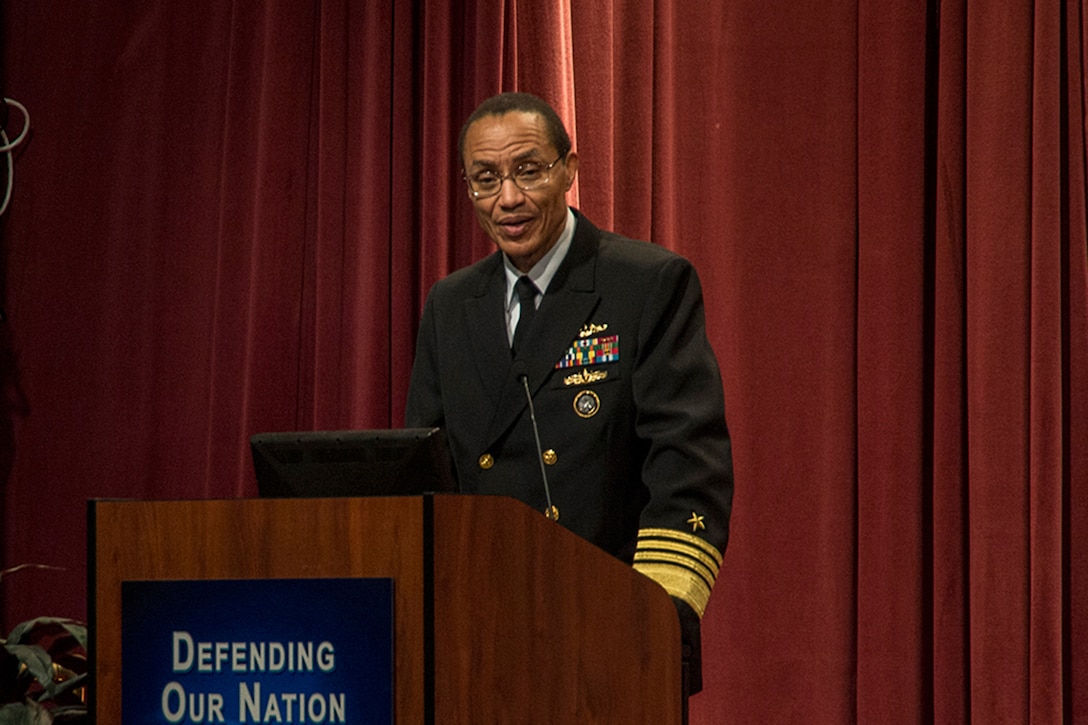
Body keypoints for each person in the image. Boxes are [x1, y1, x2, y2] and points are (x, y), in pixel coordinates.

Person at [405, 92, 733, 699]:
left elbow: (690, 467)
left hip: (608, 635)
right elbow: (426, 472)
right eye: (485, 179)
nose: (508, 198)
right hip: (477, 640)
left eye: (528, 170)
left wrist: (651, 618)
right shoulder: (450, 304)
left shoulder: (646, 283)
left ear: (569, 170)